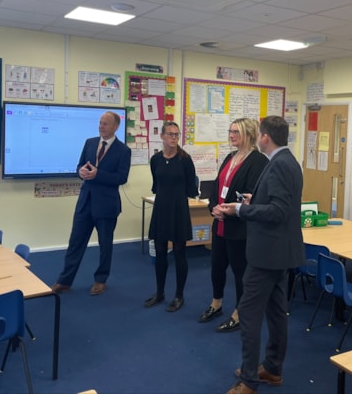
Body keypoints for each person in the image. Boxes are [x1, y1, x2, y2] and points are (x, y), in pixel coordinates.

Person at [217, 116, 304, 394]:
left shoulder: (278, 165)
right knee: (277, 312)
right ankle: (273, 369)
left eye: (260, 135)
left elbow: (278, 212)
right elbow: (281, 205)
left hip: (267, 253)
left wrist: (241, 210)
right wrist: (254, 202)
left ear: (265, 137)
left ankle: (250, 380)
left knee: (250, 316)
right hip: (280, 252)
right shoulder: (287, 161)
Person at [198, 118, 268, 333]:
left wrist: (228, 210)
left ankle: (239, 313)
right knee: (217, 266)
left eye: (235, 131)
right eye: (230, 131)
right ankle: (216, 303)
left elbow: (251, 196)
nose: (231, 135)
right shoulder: (230, 157)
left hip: (239, 226)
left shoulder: (258, 161)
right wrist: (213, 208)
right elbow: (218, 186)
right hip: (220, 223)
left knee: (240, 272)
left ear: (248, 133)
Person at [52, 111, 131, 296]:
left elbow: (121, 177)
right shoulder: (90, 142)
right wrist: (80, 172)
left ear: (115, 127)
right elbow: (79, 166)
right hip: (85, 202)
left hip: (106, 205)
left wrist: (98, 175)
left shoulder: (123, 150)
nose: (101, 126)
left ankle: (100, 280)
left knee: (105, 245)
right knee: (75, 243)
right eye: (100, 122)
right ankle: (65, 280)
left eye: (105, 123)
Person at [144, 121, 199, 312]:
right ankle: (159, 293)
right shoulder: (156, 159)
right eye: (170, 134)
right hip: (160, 209)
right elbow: (156, 184)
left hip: (179, 210)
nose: (174, 138)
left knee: (179, 253)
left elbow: (192, 188)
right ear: (162, 136)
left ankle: (179, 295)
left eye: (177, 134)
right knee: (160, 253)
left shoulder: (185, 159)